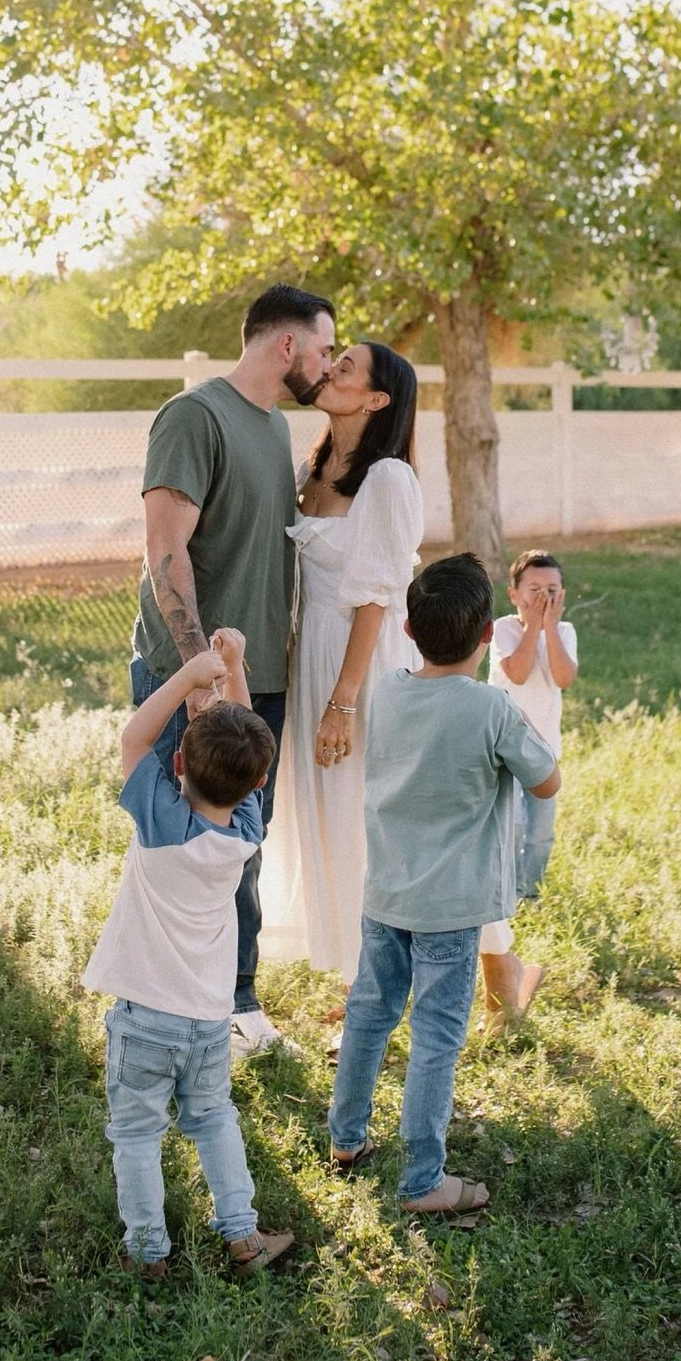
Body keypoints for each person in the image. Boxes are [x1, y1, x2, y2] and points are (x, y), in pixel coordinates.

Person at [131, 282, 336, 1058]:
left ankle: (234, 1003)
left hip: (260, 679)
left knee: (242, 843)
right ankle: (171, 1010)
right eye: (321, 349)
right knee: (180, 847)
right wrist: (197, 679)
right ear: (286, 345)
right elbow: (165, 549)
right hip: (190, 682)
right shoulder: (196, 416)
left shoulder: (275, 425)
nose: (325, 364)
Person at [327, 554, 560, 1214]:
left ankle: (345, 1141)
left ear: (406, 627)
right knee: (435, 1035)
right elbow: (546, 780)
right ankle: (424, 1181)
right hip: (450, 912)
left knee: (369, 1015)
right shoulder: (490, 709)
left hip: (386, 896)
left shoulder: (388, 692)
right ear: (489, 635)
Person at [84, 628, 296, 1279]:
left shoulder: (161, 824)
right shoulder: (246, 830)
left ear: (177, 767)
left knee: (139, 1136)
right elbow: (249, 741)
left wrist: (185, 679)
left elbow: (131, 739)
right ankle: (243, 1236)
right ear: (259, 782)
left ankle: (148, 1253)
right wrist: (231, 667)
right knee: (212, 1121)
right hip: (206, 1020)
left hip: (145, 1018)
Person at [259, 342, 422, 985]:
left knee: (363, 815)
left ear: (377, 399)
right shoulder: (315, 466)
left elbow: (378, 600)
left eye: (346, 367)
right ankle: (359, 972)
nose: (330, 370)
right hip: (315, 651)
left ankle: (373, 984)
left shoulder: (387, 478)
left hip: (363, 663)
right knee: (325, 807)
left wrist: (342, 701)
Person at [478, 549, 579, 1028]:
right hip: (503, 748)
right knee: (508, 823)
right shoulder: (504, 630)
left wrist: (551, 628)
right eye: (534, 591)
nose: (544, 599)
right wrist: (534, 626)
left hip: (545, 749)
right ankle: (507, 896)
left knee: (539, 831)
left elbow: (562, 677)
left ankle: (529, 892)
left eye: (553, 591)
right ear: (514, 593)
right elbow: (516, 672)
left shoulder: (566, 632)